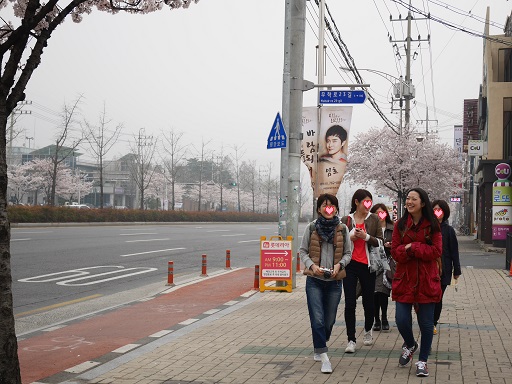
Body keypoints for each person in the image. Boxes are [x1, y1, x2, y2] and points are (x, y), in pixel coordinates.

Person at [391, 188, 442, 377]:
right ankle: (411, 344)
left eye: (414, 199)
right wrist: (409, 250)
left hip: (427, 279)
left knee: (426, 324)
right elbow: (395, 252)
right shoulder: (400, 225)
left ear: (422, 203)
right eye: (408, 199)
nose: (409, 202)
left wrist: (413, 246)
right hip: (405, 279)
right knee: (401, 320)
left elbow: (436, 251)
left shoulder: (433, 225)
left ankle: (422, 361)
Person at [299, 193, 351, 374]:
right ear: (319, 209)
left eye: (331, 205)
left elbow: (348, 253)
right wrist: (312, 266)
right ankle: (324, 356)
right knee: (318, 319)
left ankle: (319, 343)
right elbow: (303, 251)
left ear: (336, 208)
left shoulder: (342, 229)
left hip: (334, 282)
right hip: (315, 281)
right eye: (324, 205)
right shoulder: (312, 227)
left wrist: (339, 265)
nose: (328, 208)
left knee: (328, 321)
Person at [341, 189, 382, 353]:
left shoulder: (374, 220)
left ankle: (368, 330)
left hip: (368, 265)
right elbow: (339, 242)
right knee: (350, 302)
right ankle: (351, 339)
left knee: (369, 302)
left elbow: (380, 241)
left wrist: (365, 237)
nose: (368, 205)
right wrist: (350, 236)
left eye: (370, 202)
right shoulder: (346, 220)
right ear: (356, 202)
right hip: (350, 265)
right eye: (365, 202)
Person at [432, 199, 461, 335]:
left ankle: (433, 322)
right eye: (435, 210)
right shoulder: (427, 228)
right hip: (429, 268)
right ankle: (427, 320)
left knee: (438, 296)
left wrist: (457, 270)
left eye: (440, 210)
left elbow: (454, 251)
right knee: (429, 297)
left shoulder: (448, 231)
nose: (437, 213)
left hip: (444, 269)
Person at [370, 203, 395, 332]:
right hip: (373, 263)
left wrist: (391, 246)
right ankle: (376, 320)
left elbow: (399, 244)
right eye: (376, 213)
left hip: (387, 264)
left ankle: (384, 317)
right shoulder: (370, 228)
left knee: (383, 292)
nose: (380, 216)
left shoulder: (393, 228)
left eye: (382, 212)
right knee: (374, 293)